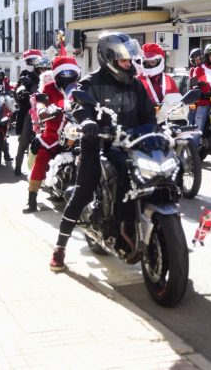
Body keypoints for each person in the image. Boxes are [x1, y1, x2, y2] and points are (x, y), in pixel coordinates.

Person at [50, 31, 155, 272]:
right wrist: (87, 122)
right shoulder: (91, 83)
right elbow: (78, 104)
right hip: (98, 144)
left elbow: (148, 115)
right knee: (84, 190)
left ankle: (139, 226)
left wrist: (156, 132)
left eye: (130, 60)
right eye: (124, 61)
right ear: (109, 58)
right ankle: (60, 247)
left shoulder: (136, 85)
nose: (129, 65)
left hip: (130, 143)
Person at [22, 56, 80, 214]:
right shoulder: (49, 87)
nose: (67, 76)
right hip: (53, 133)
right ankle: (31, 199)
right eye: (64, 72)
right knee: (41, 159)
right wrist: (43, 110)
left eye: (70, 72)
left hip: (75, 131)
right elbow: (40, 100)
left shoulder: (81, 88)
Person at [13, 49, 43, 175]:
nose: (32, 63)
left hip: (46, 110)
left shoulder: (47, 74)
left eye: (35, 61)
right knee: (25, 137)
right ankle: (18, 164)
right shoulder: (24, 74)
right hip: (31, 110)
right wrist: (22, 93)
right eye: (29, 61)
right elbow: (18, 89)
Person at [187, 48, 203, 125]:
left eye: (199, 58)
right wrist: (196, 83)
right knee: (192, 114)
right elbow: (192, 83)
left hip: (210, 95)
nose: (197, 61)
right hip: (196, 97)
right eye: (195, 59)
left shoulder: (208, 68)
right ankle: (191, 129)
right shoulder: (193, 70)